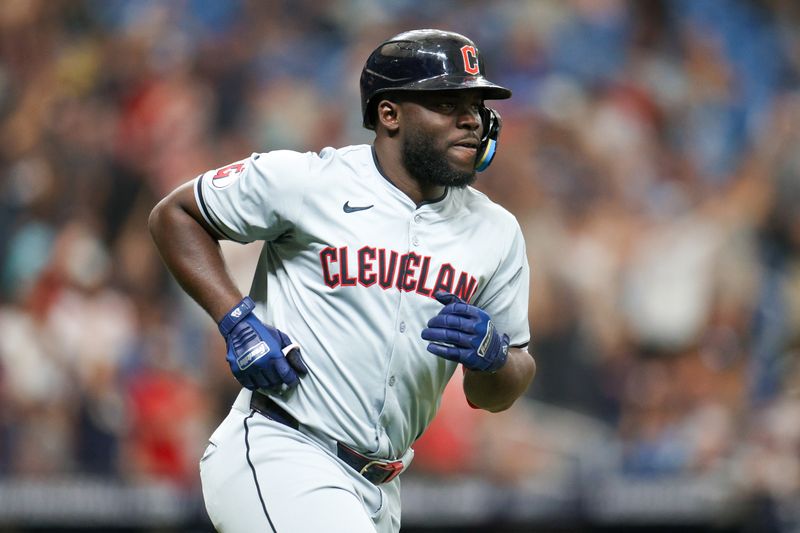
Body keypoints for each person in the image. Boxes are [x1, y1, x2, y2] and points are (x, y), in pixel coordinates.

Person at [149, 28, 535, 533]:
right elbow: (175, 214)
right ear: (389, 114)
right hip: (283, 450)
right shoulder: (311, 182)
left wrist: (495, 357)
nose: (471, 120)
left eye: (476, 105)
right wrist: (236, 319)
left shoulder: (496, 232)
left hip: (381, 486)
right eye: (446, 102)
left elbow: (497, 393)